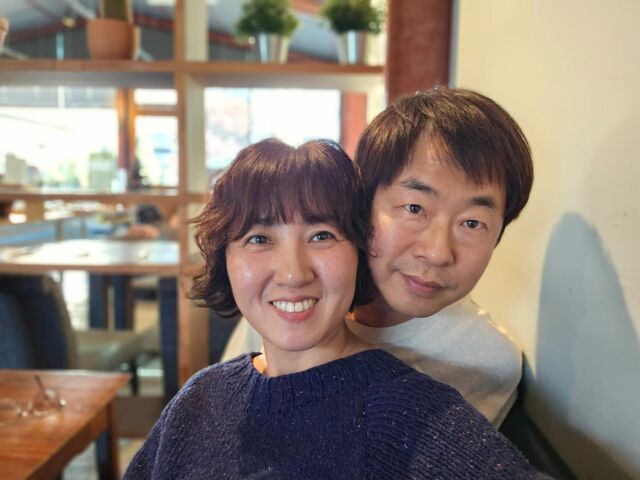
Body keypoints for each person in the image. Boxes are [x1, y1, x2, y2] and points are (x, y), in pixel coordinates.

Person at [124, 139, 544, 479]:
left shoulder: (401, 414)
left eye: (322, 235)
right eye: (259, 239)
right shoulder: (201, 397)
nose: (293, 273)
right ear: (225, 260)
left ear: (361, 250)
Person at [221, 87, 534, 426]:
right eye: (414, 208)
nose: (437, 253)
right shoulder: (289, 303)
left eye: (472, 223)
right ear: (364, 204)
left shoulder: (484, 362)